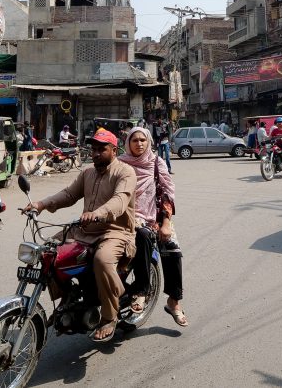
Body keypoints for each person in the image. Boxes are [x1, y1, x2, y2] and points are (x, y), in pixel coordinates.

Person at [23, 129, 137, 342]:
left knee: (102, 260)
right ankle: (67, 297)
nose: (95, 153)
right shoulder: (88, 174)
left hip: (115, 232)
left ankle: (109, 316)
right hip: (84, 231)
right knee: (47, 252)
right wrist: (41, 204)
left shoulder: (126, 172)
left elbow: (120, 201)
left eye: (101, 149)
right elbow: (68, 195)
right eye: (93, 149)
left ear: (114, 150)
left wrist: (97, 213)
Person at [118, 127, 188, 327]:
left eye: (143, 140)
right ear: (128, 143)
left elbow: (167, 192)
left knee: (172, 250)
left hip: (154, 217)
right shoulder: (121, 163)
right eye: (135, 140)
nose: (139, 144)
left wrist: (166, 222)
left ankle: (173, 302)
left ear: (148, 142)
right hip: (124, 218)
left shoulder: (156, 162)